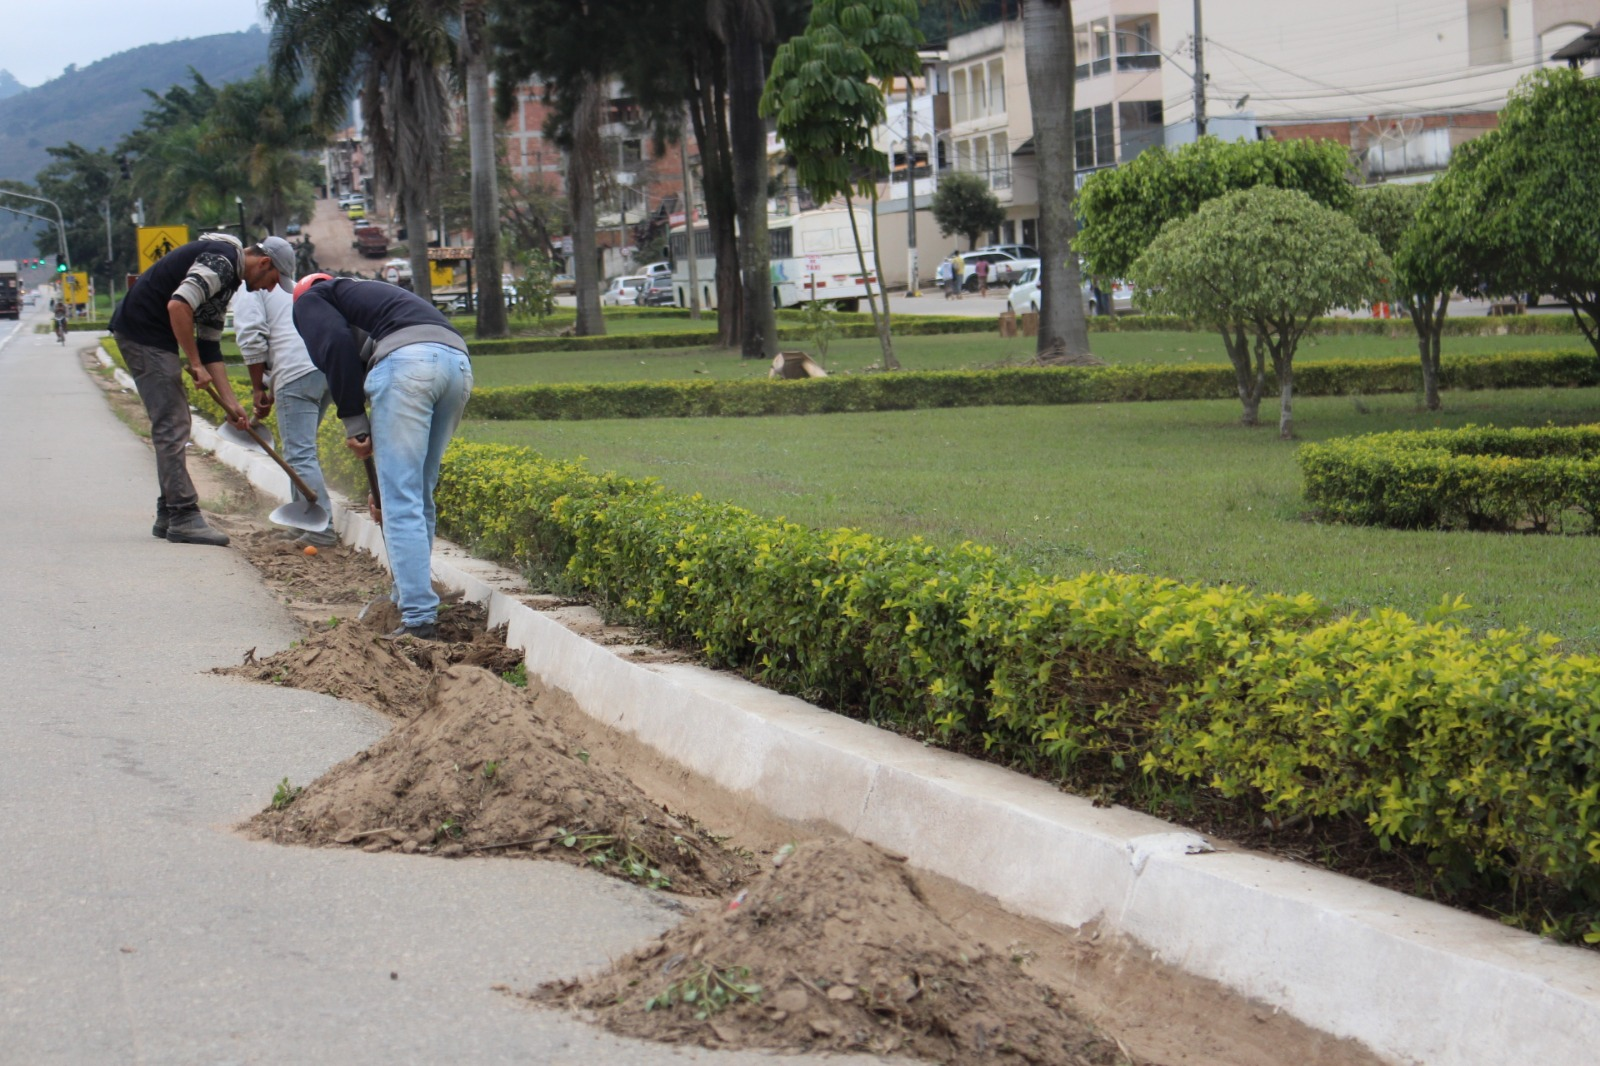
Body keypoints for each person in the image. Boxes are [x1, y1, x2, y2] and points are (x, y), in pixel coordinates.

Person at [291, 274, 474, 640]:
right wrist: (381, 489)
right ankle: (406, 596)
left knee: (401, 500)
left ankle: (419, 618)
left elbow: (336, 347)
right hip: (457, 364)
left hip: (408, 363)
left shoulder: (310, 299)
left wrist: (354, 423)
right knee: (417, 494)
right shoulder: (370, 297)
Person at [110, 234, 295, 546]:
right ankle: (183, 514)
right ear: (263, 262)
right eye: (272, 279)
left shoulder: (230, 280)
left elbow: (209, 344)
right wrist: (194, 364)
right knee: (173, 421)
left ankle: (169, 510)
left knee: (174, 420)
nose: (269, 288)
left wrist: (230, 402)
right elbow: (178, 304)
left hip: (151, 334)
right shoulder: (222, 260)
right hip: (144, 333)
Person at [235, 279, 338, 548]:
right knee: (299, 451)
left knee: (299, 453)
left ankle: (321, 531)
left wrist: (258, 388)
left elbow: (251, 335)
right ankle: (301, 523)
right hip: (323, 367)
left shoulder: (249, 287)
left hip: (294, 373)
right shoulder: (291, 285)